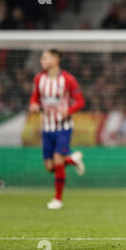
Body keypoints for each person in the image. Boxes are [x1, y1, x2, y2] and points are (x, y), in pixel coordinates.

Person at [29, 49, 86, 210]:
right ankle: (73, 160)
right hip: (46, 127)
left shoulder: (68, 79)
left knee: (57, 160)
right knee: (50, 167)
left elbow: (80, 102)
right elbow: (35, 97)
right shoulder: (39, 78)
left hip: (63, 127)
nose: (42, 60)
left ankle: (57, 199)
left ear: (55, 59)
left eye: (45, 58)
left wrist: (68, 111)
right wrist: (33, 105)